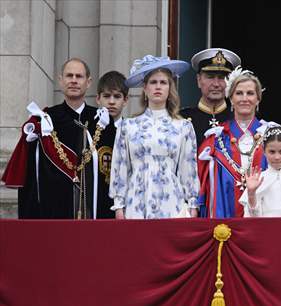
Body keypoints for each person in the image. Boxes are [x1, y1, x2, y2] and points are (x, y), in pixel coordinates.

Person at [1, 57, 114, 219]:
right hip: (55, 214)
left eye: (79, 76)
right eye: (69, 76)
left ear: (88, 82)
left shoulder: (102, 122)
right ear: (61, 81)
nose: (74, 80)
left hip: (96, 217)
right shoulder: (46, 121)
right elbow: (33, 179)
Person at [109, 55, 199, 219]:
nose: (158, 87)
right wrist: (119, 205)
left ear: (169, 88)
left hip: (172, 201)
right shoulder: (128, 126)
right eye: (153, 82)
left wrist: (192, 204)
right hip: (135, 201)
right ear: (145, 88)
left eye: (163, 82)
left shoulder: (183, 127)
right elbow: (120, 167)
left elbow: (189, 170)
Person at [197, 67, 269, 218]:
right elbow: (202, 186)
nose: (244, 98)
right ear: (231, 98)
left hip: (264, 215)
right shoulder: (215, 139)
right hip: (223, 218)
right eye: (239, 93)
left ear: (258, 99)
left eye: (250, 93)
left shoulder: (270, 135)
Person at [180, 48, 241, 147]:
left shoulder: (238, 119)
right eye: (210, 77)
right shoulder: (182, 119)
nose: (216, 84)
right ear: (199, 80)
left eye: (222, 78)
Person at [95, 70, 129, 209]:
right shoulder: (90, 131)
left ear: (125, 100)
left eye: (117, 96)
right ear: (98, 99)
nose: (111, 102)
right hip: (96, 203)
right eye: (106, 96)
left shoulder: (131, 131)